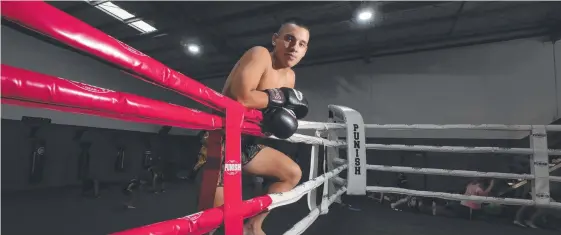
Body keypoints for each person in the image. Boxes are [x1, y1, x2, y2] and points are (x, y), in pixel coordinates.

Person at [199, 19, 310, 235]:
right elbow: (242, 98)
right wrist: (280, 97)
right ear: (275, 39)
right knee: (217, 222)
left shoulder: (289, 76)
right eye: (289, 38)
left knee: (292, 174)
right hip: (220, 143)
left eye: (302, 44)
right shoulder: (260, 55)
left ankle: (254, 224)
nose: (294, 47)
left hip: (247, 144)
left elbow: (270, 113)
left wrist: (279, 118)